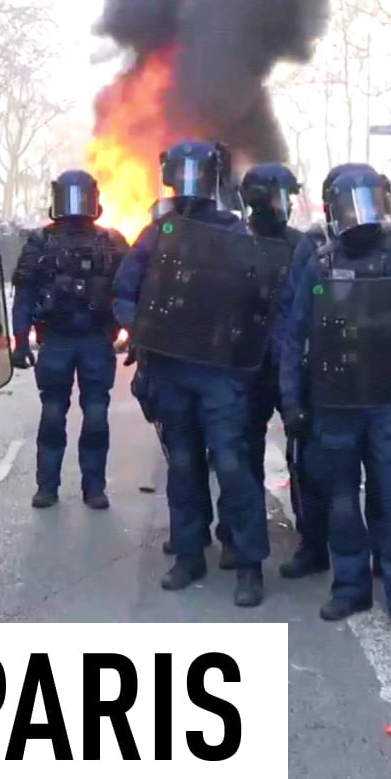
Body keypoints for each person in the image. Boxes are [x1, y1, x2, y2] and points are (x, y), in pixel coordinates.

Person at [115, 140, 277, 607]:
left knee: (231, 464)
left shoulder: (234, 232)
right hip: (171, 367)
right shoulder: (158, 231)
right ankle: (188, 555)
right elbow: (126, 291)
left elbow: (260, 297)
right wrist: (141, 327)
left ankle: (248, 562)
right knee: (183, 465)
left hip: (219, 369)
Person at [279, 164, 391, 642]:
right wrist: (291, 401)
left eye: (369, 202)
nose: (360, 216)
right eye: (351, 204)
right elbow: (294, 333)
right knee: (343, 502)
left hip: (388, 399)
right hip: (336, 400)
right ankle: (350, 587)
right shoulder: (320, 262)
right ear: (332, 209)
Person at [11, 169, 129, 510]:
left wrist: (134, 334)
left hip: (94, 339)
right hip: (58, 338)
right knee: (53, 415)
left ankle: (93, 487)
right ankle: (47, 486)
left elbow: (131, 292)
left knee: (95, 416)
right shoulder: (40, 242)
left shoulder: (112, 241)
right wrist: (19, 341)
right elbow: (24, 293)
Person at [234, 162, 323, 580]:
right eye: (278, 197)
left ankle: (312, 541)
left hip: (290, 365)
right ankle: (240, 534)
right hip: (246, 365)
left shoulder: (302, 246)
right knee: (241, 454)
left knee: (303, 456)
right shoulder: (234, 243)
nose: (284, 205)